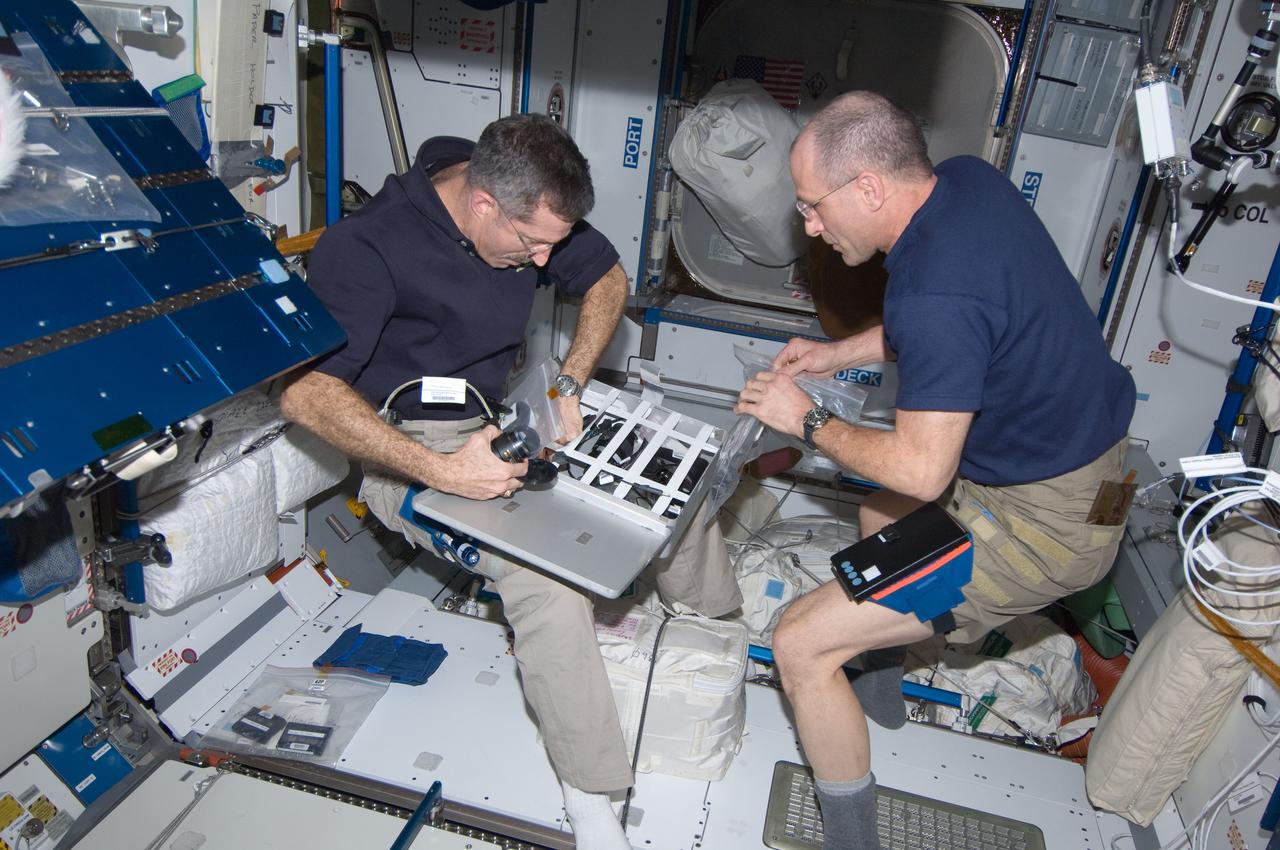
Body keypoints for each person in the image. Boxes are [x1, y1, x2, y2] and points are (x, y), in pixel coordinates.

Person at [282, 114, 742, 850]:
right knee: (544, 578)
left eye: (551, 247)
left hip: (502, 415)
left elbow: (607, 276)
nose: (541, 260)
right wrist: (443, 471)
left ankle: (720, 628)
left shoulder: (513, 187)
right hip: (409, 447)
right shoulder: (363, 250)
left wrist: (569, 382)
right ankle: (593, 796)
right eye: (531, 247)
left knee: (666, 479)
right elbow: (305, 393)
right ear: (483, 205)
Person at [734, 91, 1136, 850]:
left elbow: (923, 467)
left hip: (1049, 528)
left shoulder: (937, 294)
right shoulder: (962, 185)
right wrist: (832, 354)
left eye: (813, 207)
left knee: (801, 641)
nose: (809, 227)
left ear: (871, 188)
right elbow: (954, 329)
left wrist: (808, 418)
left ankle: (852, 836)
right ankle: (881, 678)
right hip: (1081, 472)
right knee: (880, 517)